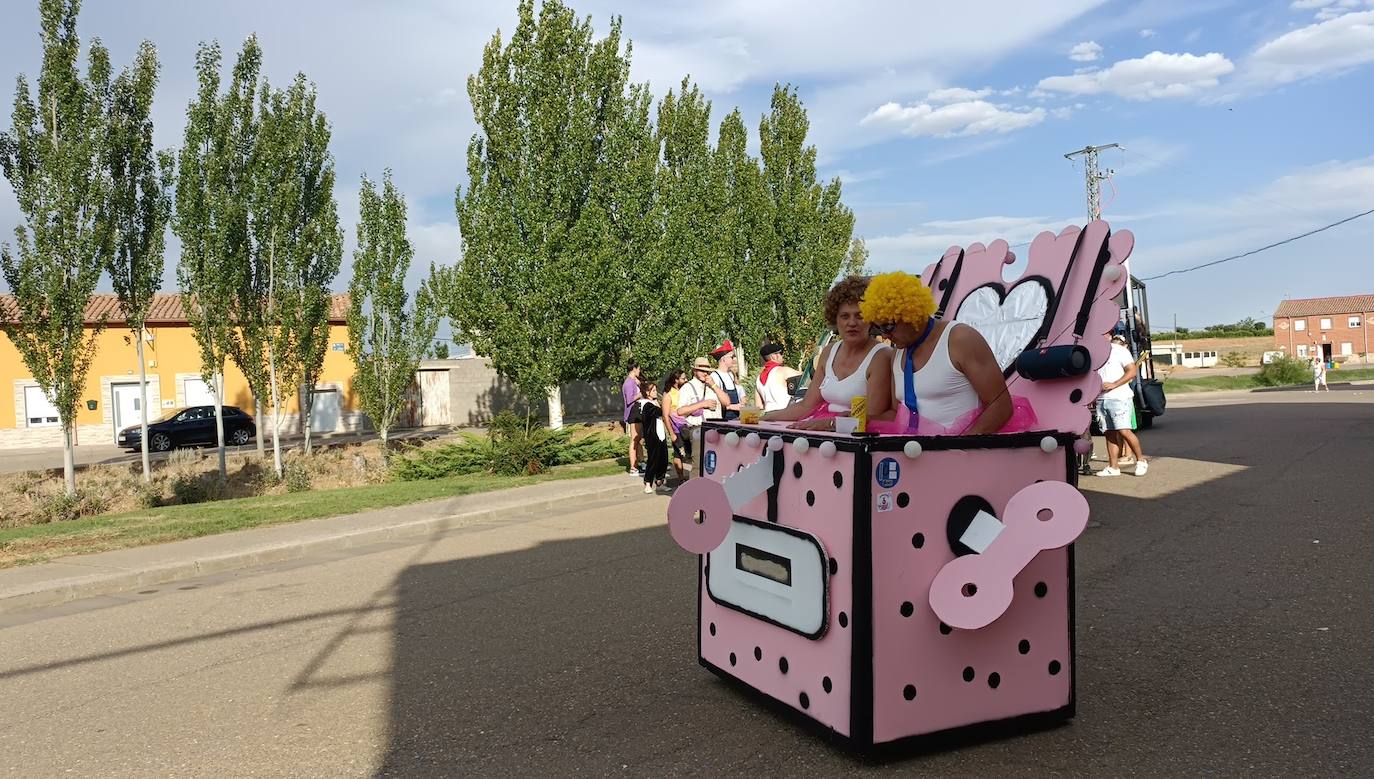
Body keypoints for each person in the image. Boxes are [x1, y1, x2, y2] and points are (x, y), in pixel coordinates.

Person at [859, 272, 1017, 435]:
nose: (884, 336)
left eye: (887, 327)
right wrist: (863, 420)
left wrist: (957, 451)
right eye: (878, 328)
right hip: (916, 454)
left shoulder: (960, 339)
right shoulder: (897, 354)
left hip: (962, 455)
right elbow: (896, 414)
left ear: (911, 313)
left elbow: (1001, 406)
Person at [763, 276, 892, 431]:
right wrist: (765, 417)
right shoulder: (829, 351)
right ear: (835, 320)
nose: (852, 323)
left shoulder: (881, 356)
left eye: (860, 316)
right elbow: (806, 406)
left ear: (871, 319)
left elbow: (871, 418)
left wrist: (830, 424)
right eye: (845, 316)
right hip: (826, 435)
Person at [1095, 334, 1148, 476]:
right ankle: (1113, 467)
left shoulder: (1119, 350)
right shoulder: (1094, 351)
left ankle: (1141, 460)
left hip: (1120, 397)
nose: (1101, 336)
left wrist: (1114, 384)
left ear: (1109, 335)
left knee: (1124, 430)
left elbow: (1131, 371)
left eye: (1104, 334)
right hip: (1101, 398)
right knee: (1109, 433)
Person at [674, 357, 720, 459]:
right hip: (698, 429)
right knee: (699, 463)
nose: (705, 373)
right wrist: (702, 404)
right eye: (702, 371)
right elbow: (680, 411)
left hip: (714, 428)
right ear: (695, 371)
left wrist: (714, 385)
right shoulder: (687, 387)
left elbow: (726, 401)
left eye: (707, 371)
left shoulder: (711, 386)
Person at [638, 380, 670, 493]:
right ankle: (648, 483)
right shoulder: (646, 405)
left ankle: (660, 482)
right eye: (654, 391)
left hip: (660, 435)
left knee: (663, 459)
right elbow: (659, 412)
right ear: (647, 392)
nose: (656, 392)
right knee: (653, 460)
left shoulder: (654, 402)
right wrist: (663, 404)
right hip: (652, 437)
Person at [661, 370, 690, 480]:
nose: (686, 380)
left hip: (688, 426)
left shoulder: (685, 391)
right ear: (676, 380)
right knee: (679, 454)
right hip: (677, 430)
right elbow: (665, 416)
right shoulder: (668, 394)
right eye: (683, 378)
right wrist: (671, 433)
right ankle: (681, 478)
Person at [756, 342, 800, 412]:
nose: (782, 356)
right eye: (781, 353)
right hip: (784, 414)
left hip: (768, 415)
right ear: (774, 356)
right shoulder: (783, 371)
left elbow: (759, 405)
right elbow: (805, 378)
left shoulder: (758, 378)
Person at [708, 340, 745, 421]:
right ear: (723, 359)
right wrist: (732, 407)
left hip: (736, 418)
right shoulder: (715, 376)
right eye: (732, 357)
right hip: (723, 419)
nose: (734, 359)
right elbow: (716, 400)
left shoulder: (730, 375)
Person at [622, 362, 644, 475]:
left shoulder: (634, 382)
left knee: (639, 440)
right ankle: (633, 468)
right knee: (634, 440)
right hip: (633, 414)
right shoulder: (628, 383)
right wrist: (642, 393)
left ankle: (641, 462)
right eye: (638, 369)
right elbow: (630, 399)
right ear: (634, 369)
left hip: (638, 413)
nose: (639, 371)